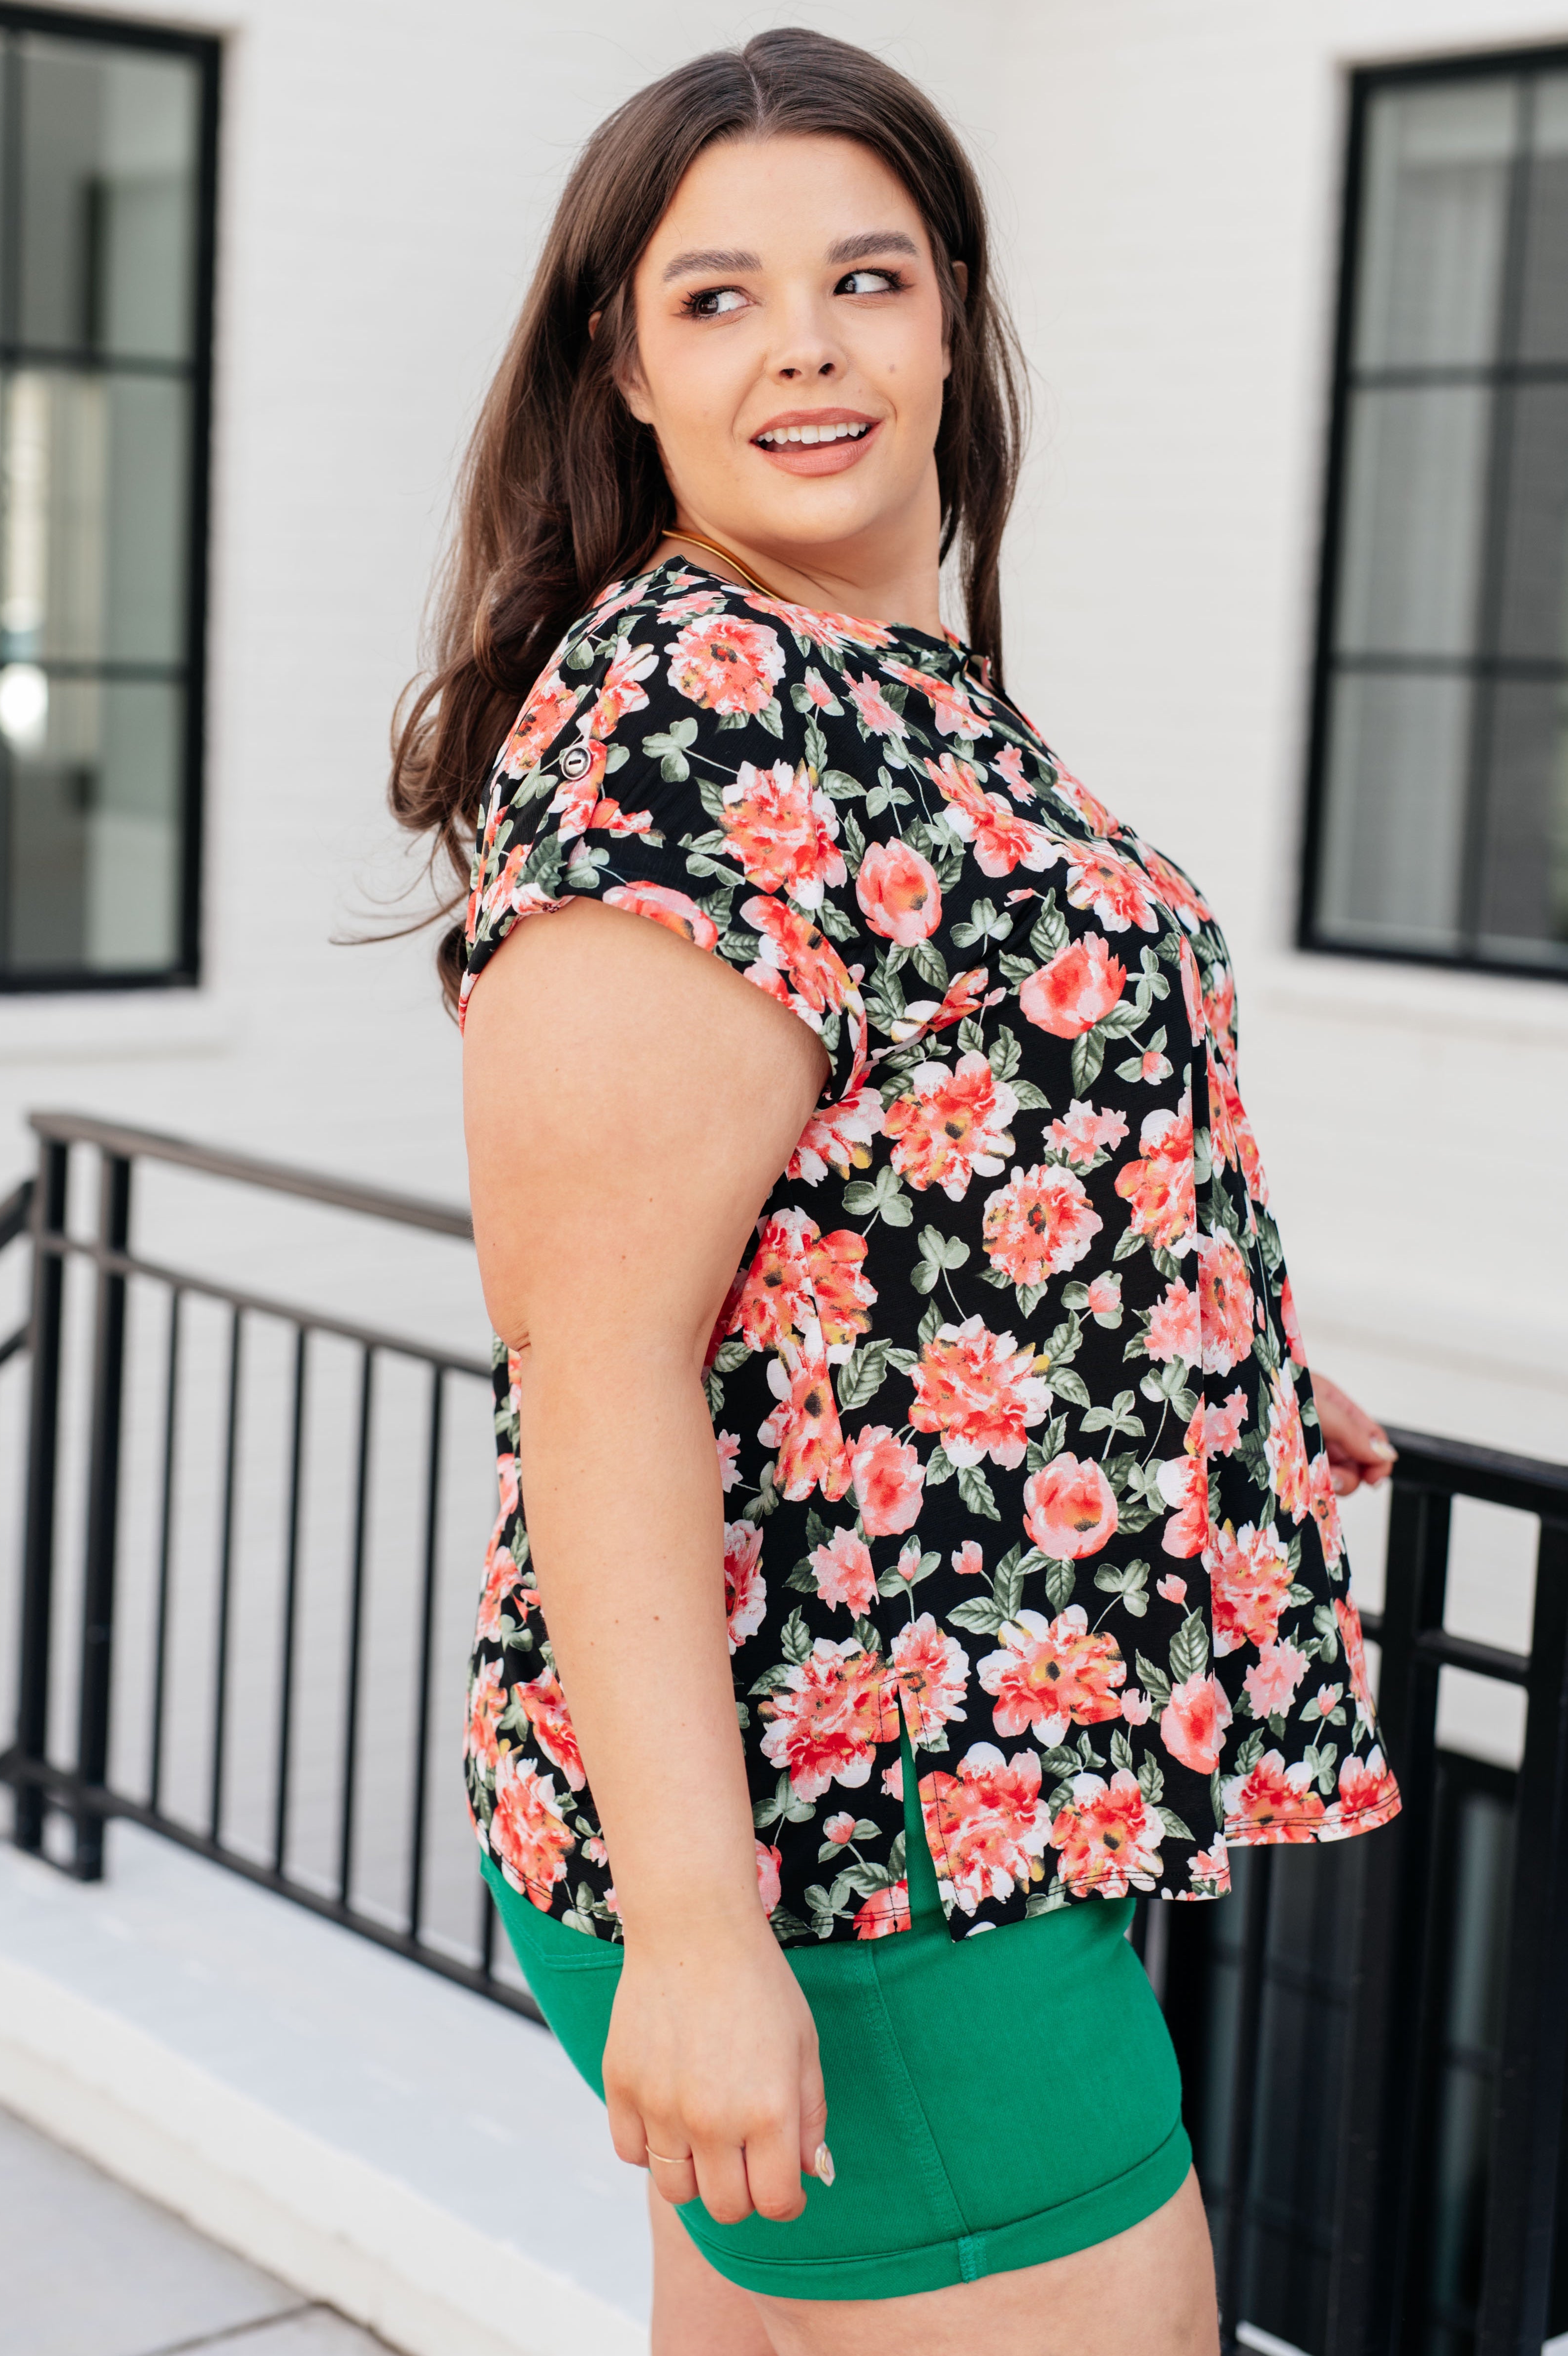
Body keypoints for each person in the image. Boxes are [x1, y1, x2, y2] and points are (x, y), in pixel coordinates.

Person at [390, 29, 1400, 2355]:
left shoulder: (887, 668)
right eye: (720, 297)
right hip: (848, 1855)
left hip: (902, 1805)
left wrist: (1200, 1357)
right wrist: (708, 1939)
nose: (811, 347)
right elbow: (601, 1350)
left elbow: (922, 1142)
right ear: (621, 364)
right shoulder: (700, 708)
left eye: (868, 277)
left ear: (952, 312)